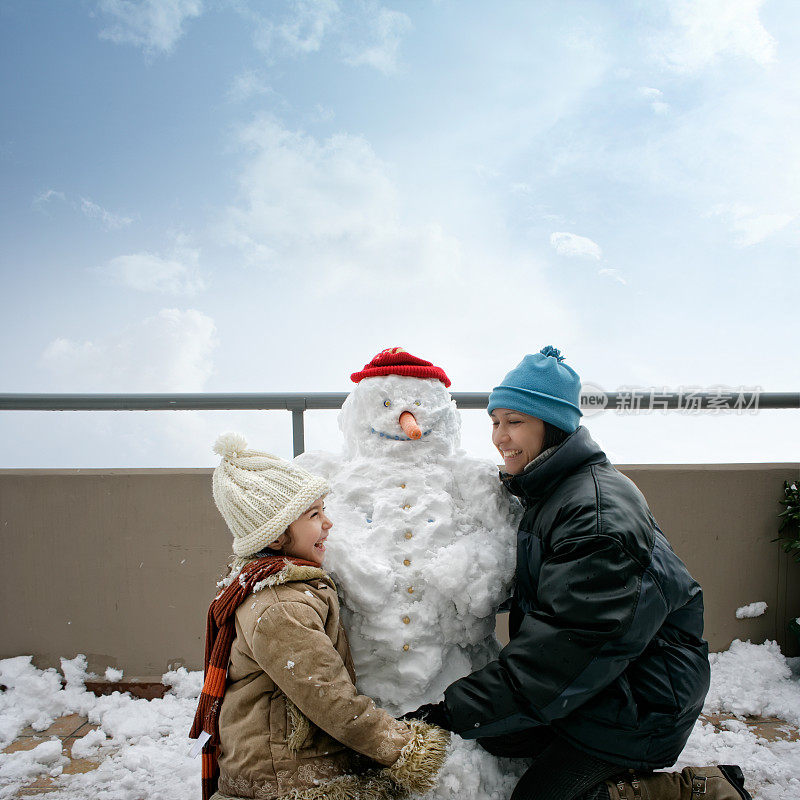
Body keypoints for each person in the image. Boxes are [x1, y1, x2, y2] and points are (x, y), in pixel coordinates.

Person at [403, 347, 753, 800]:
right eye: (495, 422)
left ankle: (698, 790)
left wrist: (449, 712)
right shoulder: (554, 488)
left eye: (515, 422)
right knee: (497, 736)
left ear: (554, 424)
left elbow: (566, 651)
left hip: (642, 699)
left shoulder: (593, 517)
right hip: (607, 678)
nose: (500, 438)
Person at [189, 433, 449, 800]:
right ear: (276, 537)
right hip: (284, 779)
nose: (328, 523)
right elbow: (329, 697)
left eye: (323, 509)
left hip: (285, 764)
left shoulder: (280, 584)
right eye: (314, 514)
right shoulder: (280, 607)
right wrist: (404, 748)